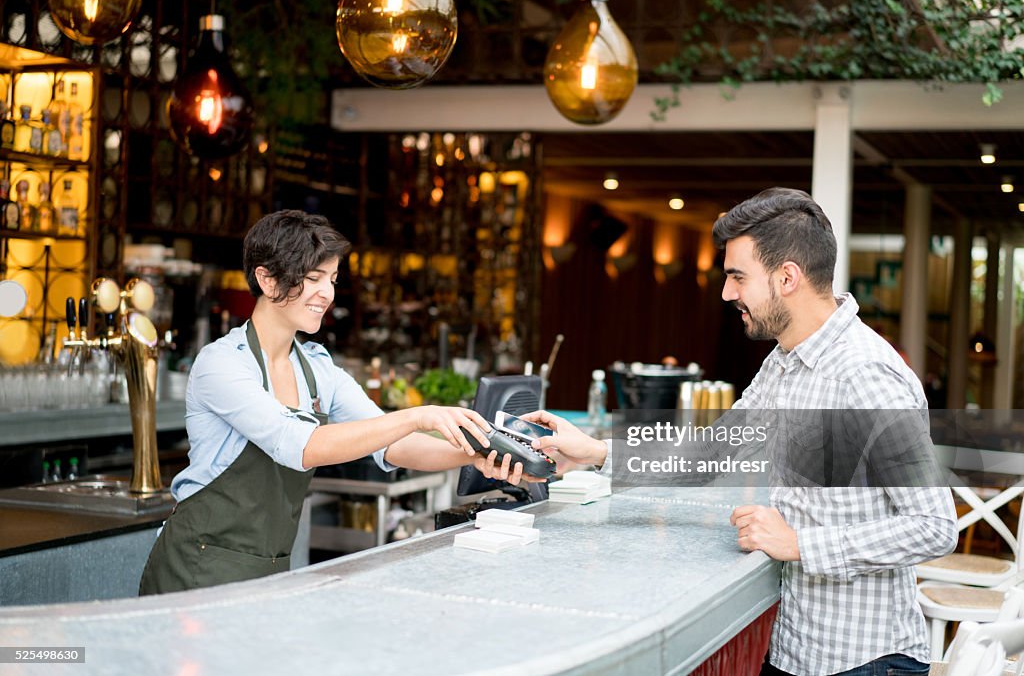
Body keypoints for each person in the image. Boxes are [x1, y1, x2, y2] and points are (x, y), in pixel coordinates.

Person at [523, 188, 957, 676]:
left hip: (864, 661)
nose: (727, 293)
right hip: (796, 648)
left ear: (787, 277)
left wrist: (800, 544)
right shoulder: (785, 361)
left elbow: (933, 527)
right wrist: (595, 452)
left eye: (737, 276)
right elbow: (709, 453)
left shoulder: (867, 375)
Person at [140, 210, 534, 595]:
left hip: (269, 568)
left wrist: (476, 453)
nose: (326, 293)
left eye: (332, 279)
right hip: (195, 570)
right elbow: (300, 446)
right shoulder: (222, 363)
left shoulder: (317, 368)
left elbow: (393, 445)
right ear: (266, 278)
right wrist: (416, 415)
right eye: (313, 278)